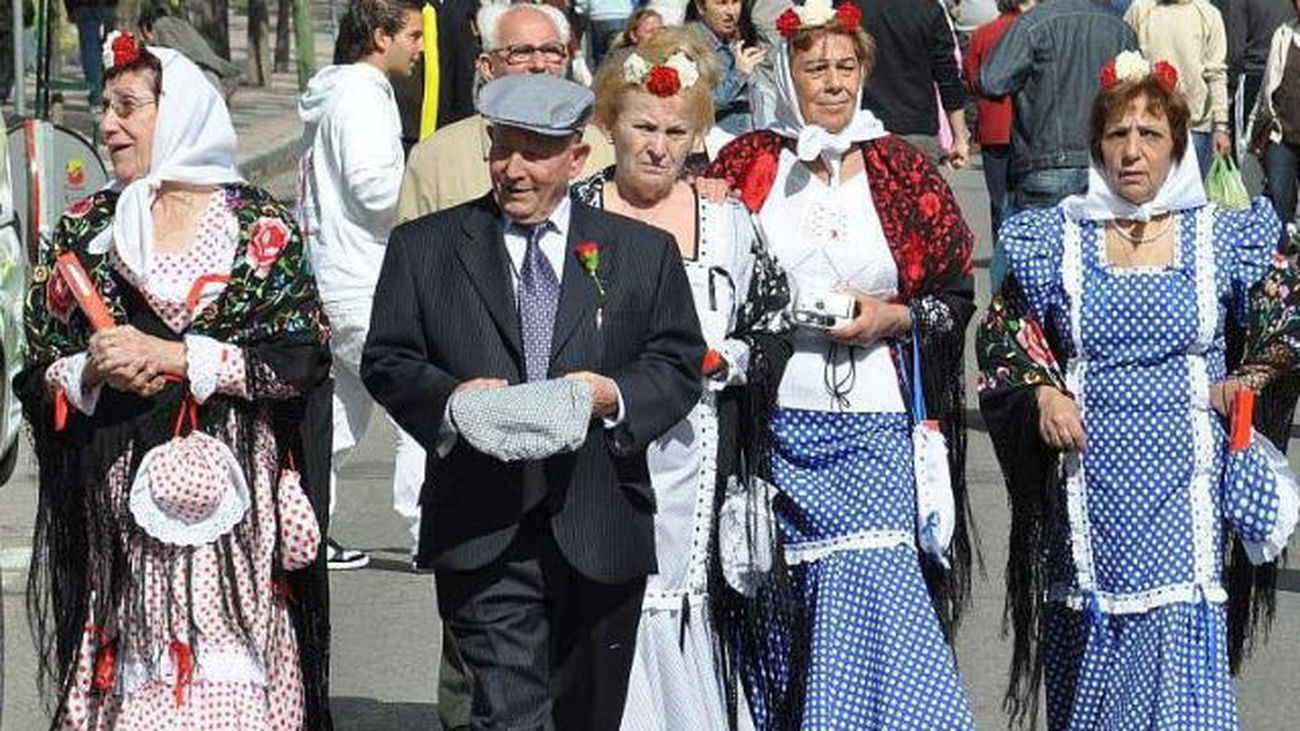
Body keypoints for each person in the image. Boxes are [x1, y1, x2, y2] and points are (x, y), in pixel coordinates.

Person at [362, 72, 705, 730]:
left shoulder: (641, 252)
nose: (513, 169)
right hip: (481, 525)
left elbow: (676, 361)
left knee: (586, 716)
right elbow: (389, 359)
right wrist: (452, 400)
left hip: (600, 522)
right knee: (511, 714)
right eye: (500, 149)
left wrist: (613, 395)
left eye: (534, 151)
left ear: (577, 157)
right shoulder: (427, 248)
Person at [16, 37, 333, 727]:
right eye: (105, 106)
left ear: (181, 112)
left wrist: (178, 357)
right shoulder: (86, 230)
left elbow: (303, 359)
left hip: (235, 517)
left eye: (129, 106)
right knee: (137, 674)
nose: (107, 124)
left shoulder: (257, 227)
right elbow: (35, 371)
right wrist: (91, 368)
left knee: (228, 676)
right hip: (123, 510)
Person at [977, 51, 1299, 728]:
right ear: (1096, 143)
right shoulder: (1055, 237)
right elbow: (1005, 333)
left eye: (1149, 135)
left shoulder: (1220, 236)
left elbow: (1286, 314)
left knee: (1180, 665)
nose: (1131, 151)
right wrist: (1043, 393)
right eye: (1118, 134)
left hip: (1188, 486)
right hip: (1090, 488)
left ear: (1176, 144)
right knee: (1096, 657)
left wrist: (1247, 376)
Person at [705, 2, 978, 727]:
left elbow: (954, 293)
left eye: (846, 67)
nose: (832, 83)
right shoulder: (746, 165)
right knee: (782, 602)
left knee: (876, 578)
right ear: (788, 73)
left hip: (874, 419)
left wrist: (892, 317)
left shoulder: (900, 168)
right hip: (771, 422)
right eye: (815, 66)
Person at [574, 27, 786, 730]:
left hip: (699, 457)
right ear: (609, 124)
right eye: (642, 126)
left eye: (676, 130)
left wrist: (734, 360)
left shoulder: (727, 222)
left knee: (688, 613)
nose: (658, 146)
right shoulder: (573, 213)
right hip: (596, 461)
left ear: (699, 135)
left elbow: (772, 323)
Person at [297, 0, 424, 570]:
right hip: (364, 282)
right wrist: (426, 193)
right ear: (380, 37)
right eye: (413, 35)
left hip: (338, 276)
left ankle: (301, 529)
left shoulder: (338, 94)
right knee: (422, 403)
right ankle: (433, 532)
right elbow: (377, 192)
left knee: (340, 419)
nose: (421, 47)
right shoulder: (364, 96)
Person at [396, 1, 614, 219]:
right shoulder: (437, 158)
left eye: (550, 51)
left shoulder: (598, 149)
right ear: (487, 67)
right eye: (521, 52)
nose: (539, 64)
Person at [981, 0, 1138, 235]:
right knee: (1095, 257)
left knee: (1038, 258)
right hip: (1102, 161)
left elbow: (992, 81)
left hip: (1045, 160)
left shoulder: (1032, 23)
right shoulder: (1119, 28)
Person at [965, 0, 1035, 285]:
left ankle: (1001, 256)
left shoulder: (983, 33)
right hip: (1026, 125)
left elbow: (972, 76)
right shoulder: (1030, 29)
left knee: (998, 199)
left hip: (993, 124)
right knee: (1022, 194)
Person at [857, 0, 971, 167]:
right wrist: (959, 136)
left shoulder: (850, 8)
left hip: (864, 124)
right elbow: (947, 76)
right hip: (916, 125)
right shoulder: (929, 9)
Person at [1126, 0, 1234, 172]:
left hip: (1194, 128)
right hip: (1148, 127)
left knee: (1191, 198)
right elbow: (1126, 62)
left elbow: (1217, 74)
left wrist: (1221, 126)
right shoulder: (1140, 10)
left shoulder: (1207, 14)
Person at [1247, 1, 1300, 227]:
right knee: (1279, 203)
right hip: (1282, 136)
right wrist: (1255, 126)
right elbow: (1267, 87)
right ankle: (1280, 257)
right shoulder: (1283, 34)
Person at [687, 0, 768, 135]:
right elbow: (699, 105)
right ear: (701, 7)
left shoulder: (734, 39)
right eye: (721, 3)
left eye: (735, 2)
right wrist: (739, 73)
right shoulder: (689, 44)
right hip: (713, 142)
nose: (731, 12)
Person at [137, 1, 241, 102]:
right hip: (213, 80)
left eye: (143, 34)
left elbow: (170, 60)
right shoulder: (182, 25)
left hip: (199, 82)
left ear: (146, 28)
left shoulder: (161, 27)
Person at [65, 0, 118, 107]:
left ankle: (96, 94)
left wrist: (70, 9)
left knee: (90, 48)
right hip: (107, 5)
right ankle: (110, 90)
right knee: (108, 48)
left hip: (82, 5)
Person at [576, 0, 636, 68]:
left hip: (599, 13)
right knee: (624, 54)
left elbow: (582, 3)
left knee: (600, 58)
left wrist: (585, 9)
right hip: (625, 12)